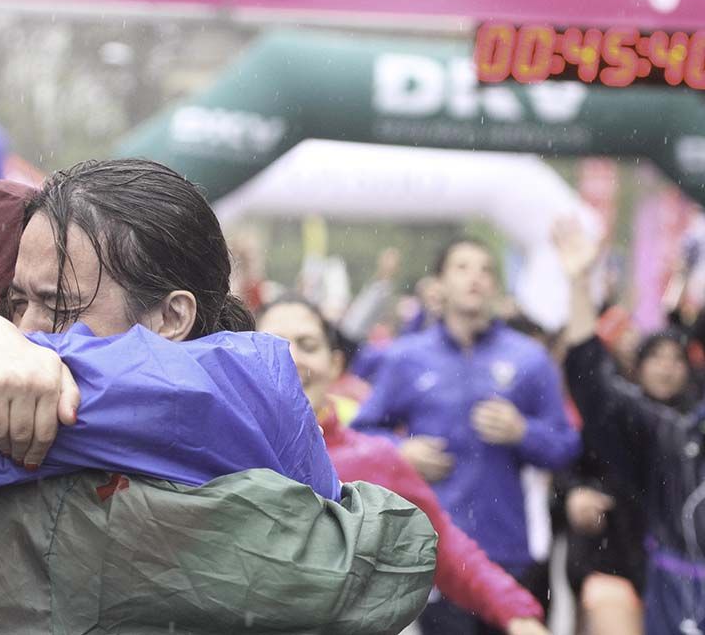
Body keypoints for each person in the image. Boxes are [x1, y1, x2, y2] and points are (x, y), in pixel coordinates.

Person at [0, 166, 437, 634]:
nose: (22, 339)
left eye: (56, 308)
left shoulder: (109, 476)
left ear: (172, 317)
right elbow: (384, 556)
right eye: (11, 305)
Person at [256, 294, 550, 635]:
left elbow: (443, 545)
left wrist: (518, 614)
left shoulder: (373, 460)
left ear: (335, 364)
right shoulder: (221, 450)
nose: (292, 358)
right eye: (273, 344)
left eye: (307, 345)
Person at [351, 236, 580, 635]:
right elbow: (360, 436)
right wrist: (400, 452)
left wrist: (522, 431)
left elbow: (565, 445)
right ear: (439, 284)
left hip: (509, 550)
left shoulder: (528, 358)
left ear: (495, 285)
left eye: (485, 269)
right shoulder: (407, 356)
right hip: (436, 551)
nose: (475, 277)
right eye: (462, 267)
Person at [554, 218, 705, 635]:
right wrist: (580, 285)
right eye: (657, 359)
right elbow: (590, 383)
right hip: (631, 570)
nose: (666, 369)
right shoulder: (669, 433)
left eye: (676, 361)